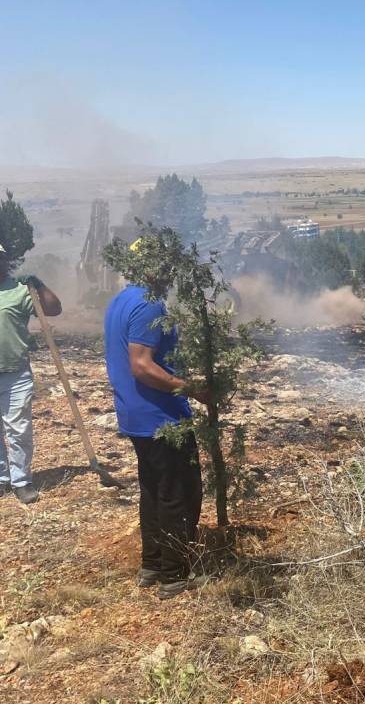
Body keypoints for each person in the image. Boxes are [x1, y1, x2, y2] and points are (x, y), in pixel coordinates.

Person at [104, 245, 206, 599]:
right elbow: (142, 365)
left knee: (153, 490)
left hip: (135, 415)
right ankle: (175, 575)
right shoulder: (149, 304)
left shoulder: (122, 299)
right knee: (180, 492)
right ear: (151, 268)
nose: (170, 274)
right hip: (159, 416)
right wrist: (192, 388)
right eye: (164, 266)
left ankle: (152, 565)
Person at [0, 243, 62, 504]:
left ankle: (21, 481)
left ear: (5, 261)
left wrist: (38, 284)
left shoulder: (20, 290)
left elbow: (53, 309)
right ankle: (2, 478)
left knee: (18, 428)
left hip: (15, 372)